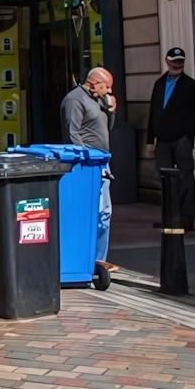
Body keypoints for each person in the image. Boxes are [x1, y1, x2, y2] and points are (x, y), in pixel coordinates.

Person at [63, 67, 117, 267]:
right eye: (107, 86)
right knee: (90, 212)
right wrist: (85, 160)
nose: (109, 91)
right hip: (87, 164)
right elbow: (72, 134)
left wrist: (110, 111)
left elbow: (105, 129)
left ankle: (99, 259)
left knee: (104, 213)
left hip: (102, 162)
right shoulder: (75, 99)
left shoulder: (97, 100)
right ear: (95, 83)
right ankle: (84, 259)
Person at [149, 47, 195, 231]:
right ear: (167, 60)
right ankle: (170, 219)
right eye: (174, 60)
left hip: (181, 139)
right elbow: (153, 113)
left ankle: (186, 221)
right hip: (163, 140)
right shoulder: (159, 84)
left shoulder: (191, 85)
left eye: (181, 60)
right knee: (165, 180)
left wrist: (187, 135)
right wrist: (150, 139)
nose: (178, 63)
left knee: (185, 179)